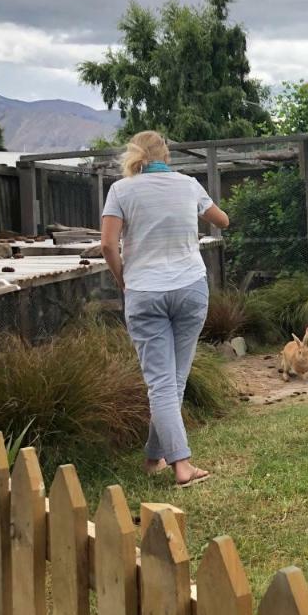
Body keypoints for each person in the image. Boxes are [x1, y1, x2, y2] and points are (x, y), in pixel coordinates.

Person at [100, 131, 230, 486]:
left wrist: (122, 279)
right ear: (166, 155)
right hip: (190, 288)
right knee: (172, 381)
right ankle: (179, 464)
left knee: (163, 382)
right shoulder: (188, 185)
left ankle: (156, 457)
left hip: (144, 291)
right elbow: (222, 221)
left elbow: (108, 245)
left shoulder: (121, 190)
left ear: (135, 155)